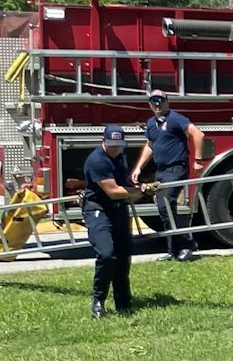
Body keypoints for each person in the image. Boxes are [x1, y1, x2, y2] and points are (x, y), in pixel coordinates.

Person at [80, 126, 153, 318]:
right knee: (106, 254)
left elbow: (124, 184)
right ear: (102, 141)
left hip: (119, 210)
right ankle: (98, 301)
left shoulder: (120, 156)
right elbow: (113, 192)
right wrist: (142, 191)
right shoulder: (97, 161)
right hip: (98, 210)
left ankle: (123, 302)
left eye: (119, 145)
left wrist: (141, 184)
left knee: (123, 256)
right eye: (112, 145)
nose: (115, 149)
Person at [133, 88, 204, 262]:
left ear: (167, 102)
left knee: (166, 205)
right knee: (164, 209)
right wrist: (138, 168)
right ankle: (171, 250)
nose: (157, 105)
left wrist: (198, 160)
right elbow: (150, 146)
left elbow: (198, 134)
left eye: (160, 101)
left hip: (176, 169)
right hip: (161, 171)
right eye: (153, 102)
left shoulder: (175, 118)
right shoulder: (151, 123)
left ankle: (188, 245)